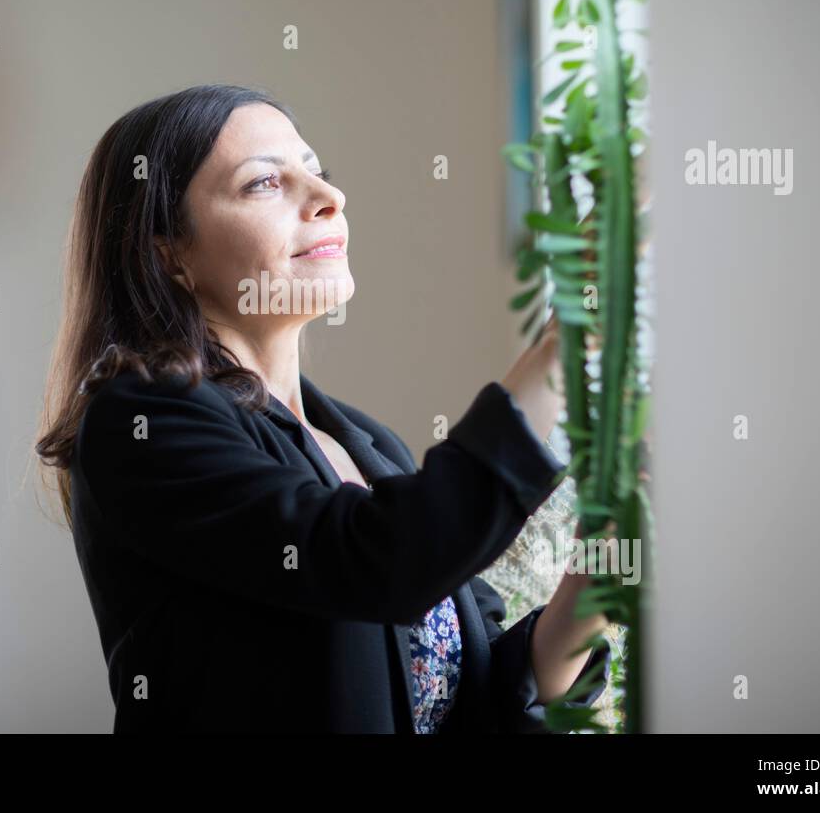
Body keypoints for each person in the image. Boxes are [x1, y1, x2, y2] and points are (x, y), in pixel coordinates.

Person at [35, 83, 610, 732]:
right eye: (264, 184)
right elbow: (375, 562)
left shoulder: (367, 443)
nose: (329, 198)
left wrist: (590, 589)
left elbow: (467, 694)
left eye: (316, 172)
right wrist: (563, 343)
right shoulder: (140, 425)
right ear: (167, 251)